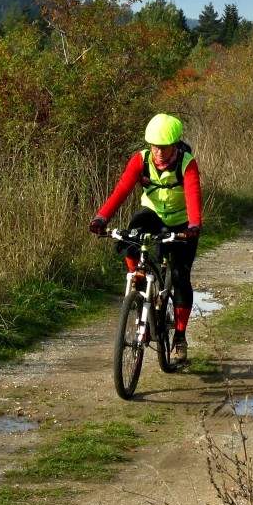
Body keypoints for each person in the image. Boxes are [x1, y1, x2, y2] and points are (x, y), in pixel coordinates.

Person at [90, 113, 202, 362]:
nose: (159, 152)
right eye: (154, 146)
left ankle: (180, 337)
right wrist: (101, 218)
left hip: (182, 221)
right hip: (151, 213)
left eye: (164, 147)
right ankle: (138, 281)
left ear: (174, 144)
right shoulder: (140, 160)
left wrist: (194, 224)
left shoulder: (187, 163)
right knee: (128, 237)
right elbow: (121, 190)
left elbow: (193, 194)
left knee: (180, 276)